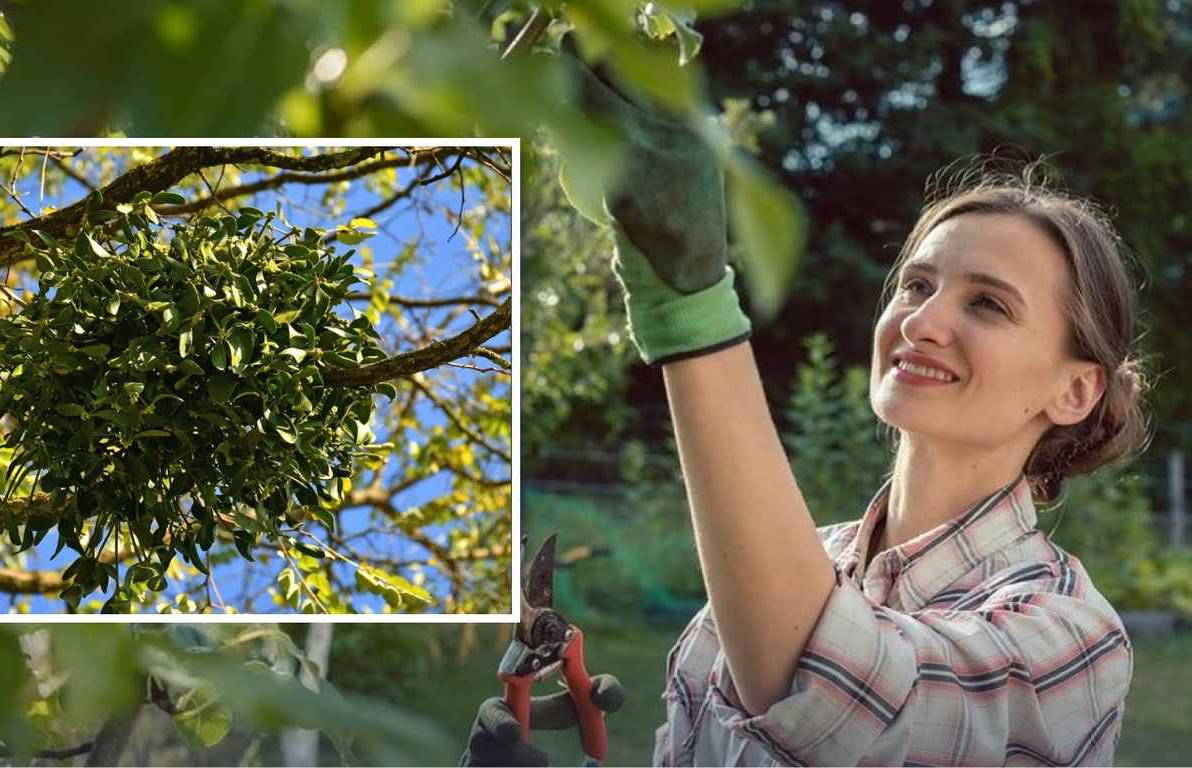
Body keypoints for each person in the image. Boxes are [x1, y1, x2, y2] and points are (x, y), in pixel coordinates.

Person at [466, 62, 1146, 767]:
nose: (922, 320)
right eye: (916, 284)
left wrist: (689, 309)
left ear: (1074, 390)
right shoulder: (794, 563)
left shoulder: (1073, 635)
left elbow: (832, 699)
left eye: (989, 304)